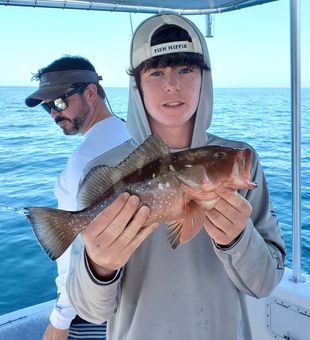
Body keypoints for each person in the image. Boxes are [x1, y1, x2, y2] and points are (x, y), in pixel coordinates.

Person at [66, 14, 286, 340]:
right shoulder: (108, 169)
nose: (172, 84)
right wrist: (99, 266)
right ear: (136, 84)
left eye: (186, 69)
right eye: (156, 72)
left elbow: (266, 283)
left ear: (204, 78)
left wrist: (240, 240)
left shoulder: (241, 161)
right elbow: (90, 311)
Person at [25, 55, 130, 340]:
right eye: (48, 107)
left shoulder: (82, 161)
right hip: (135, 301)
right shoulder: (134, 132)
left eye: (60, 102)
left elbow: (73, 253)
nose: (54, 113)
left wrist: (59, 321)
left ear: (91, 92)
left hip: (94, 311)